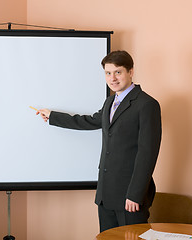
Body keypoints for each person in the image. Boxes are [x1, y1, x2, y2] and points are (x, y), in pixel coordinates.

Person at [36, 50, 162, 232]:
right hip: (106, 195)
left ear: (131, 72)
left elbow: (147, 154)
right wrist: (53, 117)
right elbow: (88, 121)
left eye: (118, 72)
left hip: (130, 198)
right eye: (108, 73)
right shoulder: (110, 102)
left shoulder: (147, 104)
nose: (113, 78)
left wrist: (135, 195)